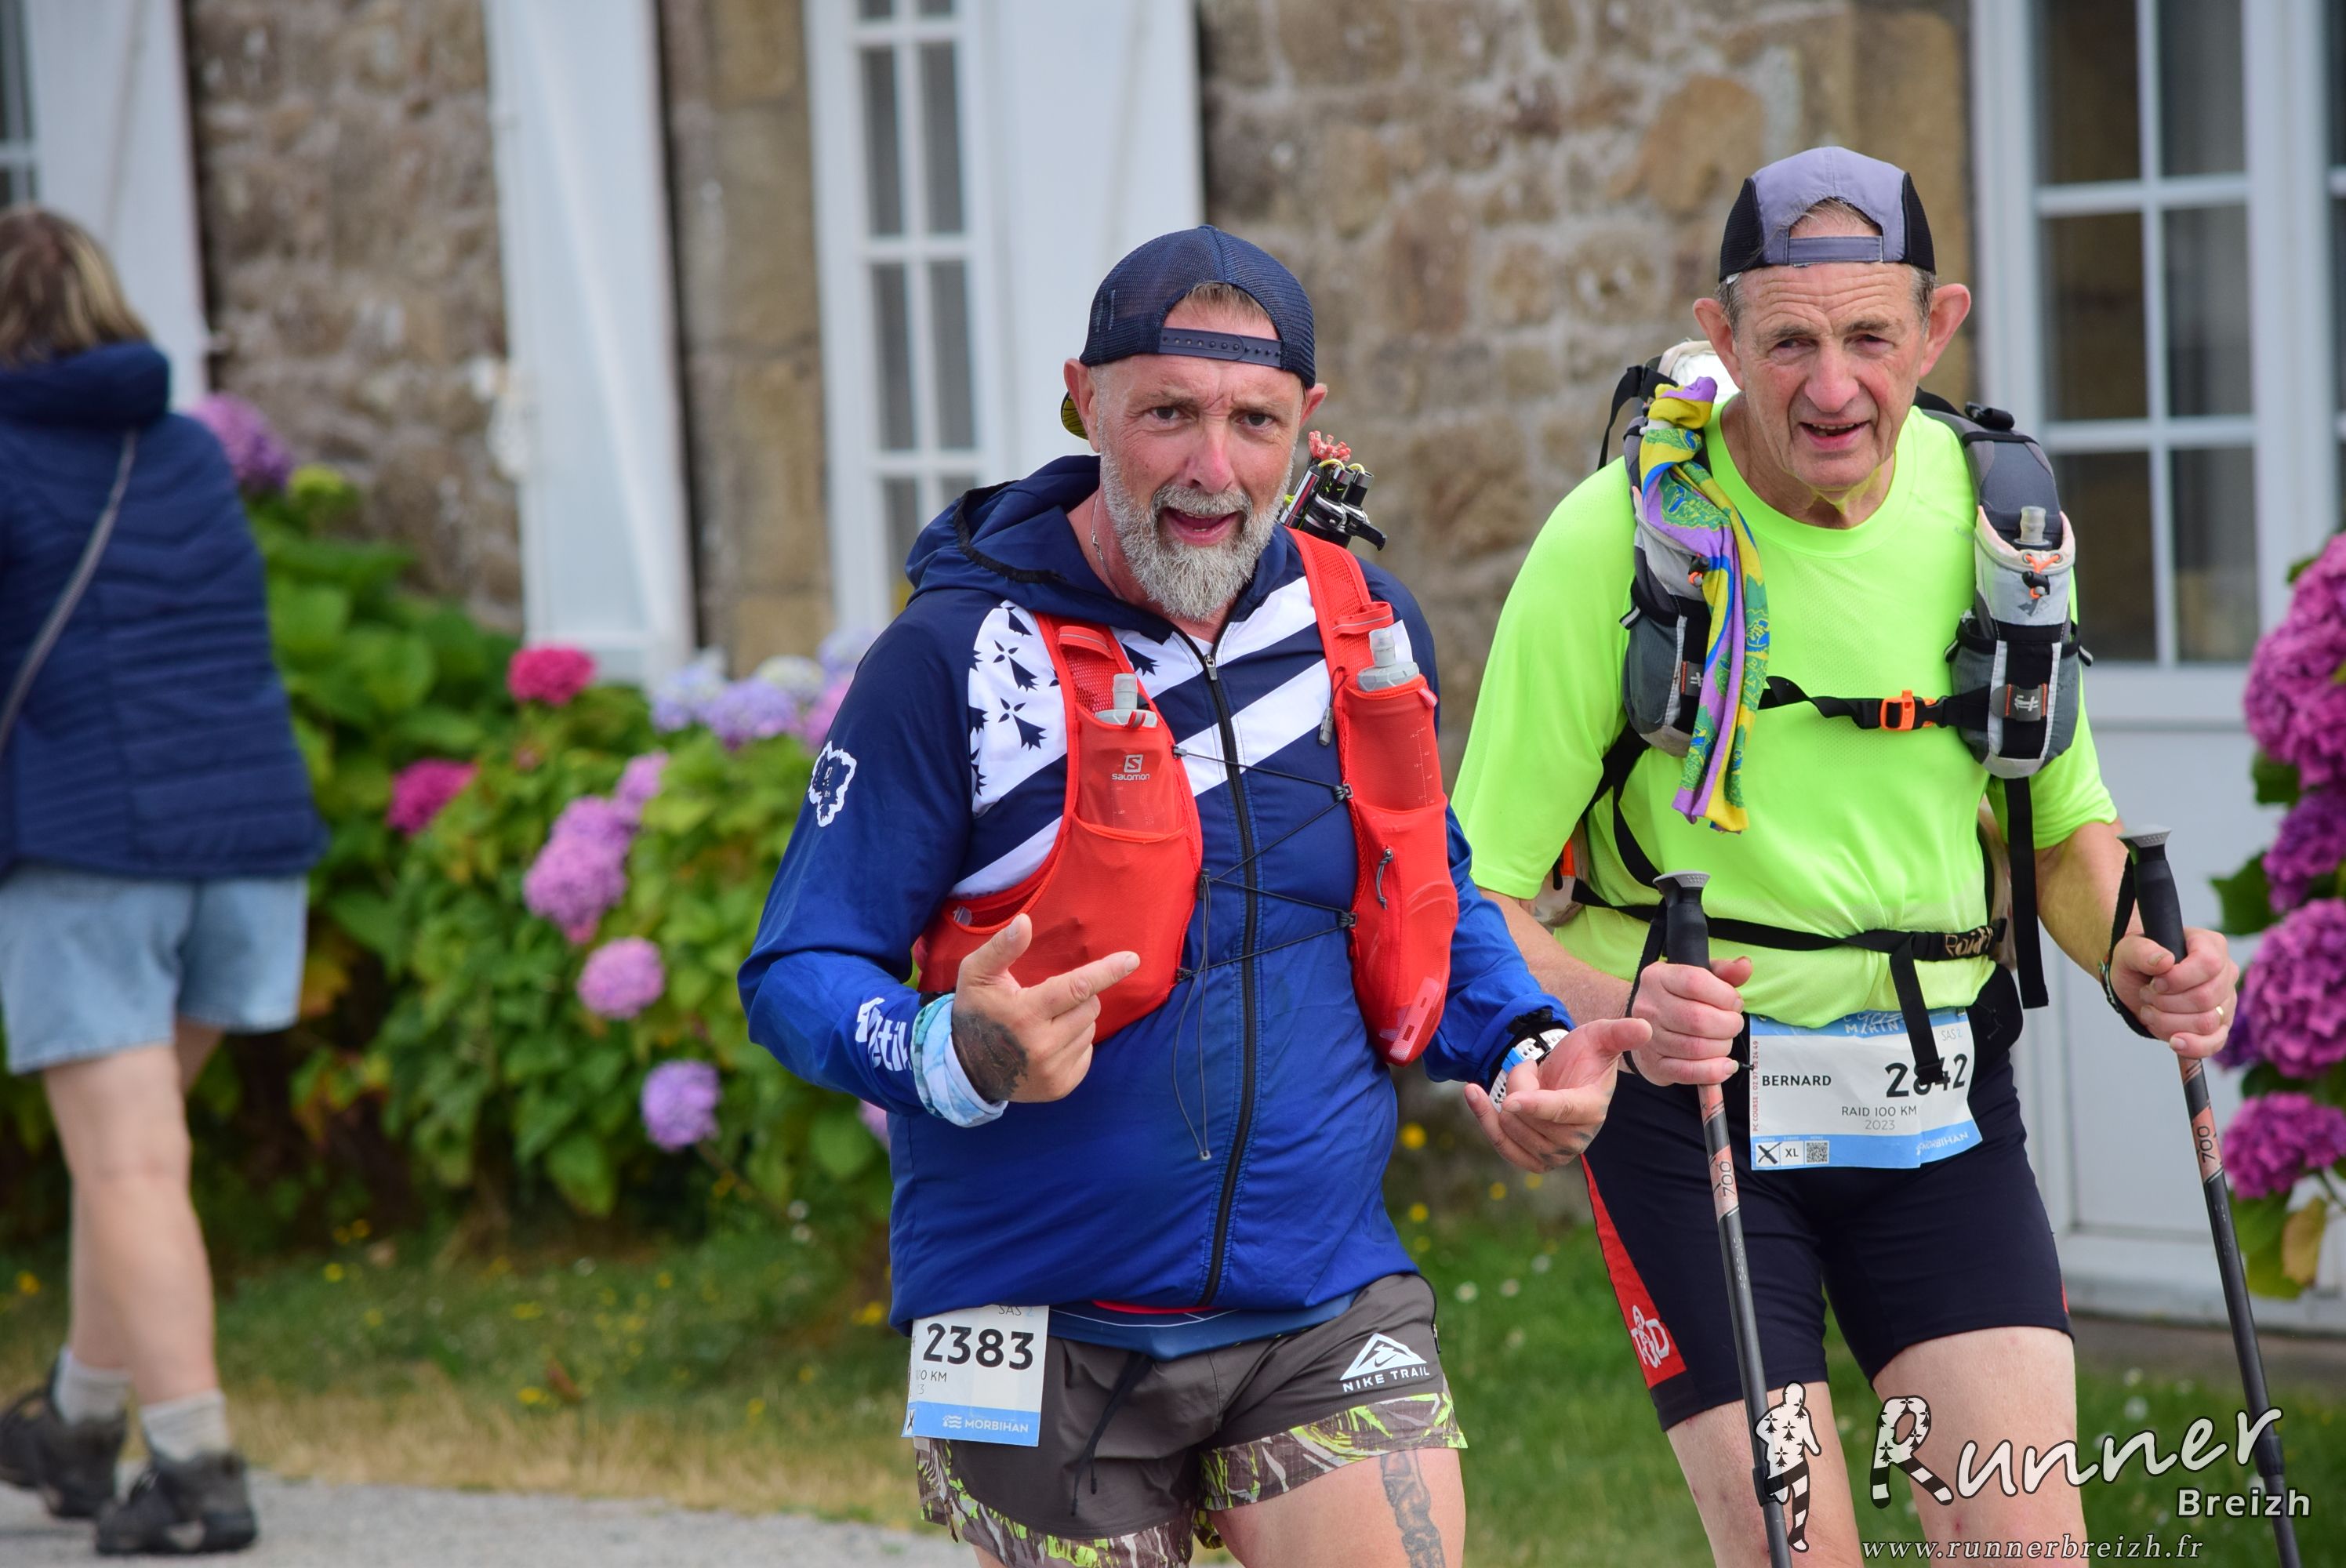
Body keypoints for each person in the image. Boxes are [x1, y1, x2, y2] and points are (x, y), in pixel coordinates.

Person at [741, 226, 1644, 1568]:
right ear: (1085, 401)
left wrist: (1519, 1045)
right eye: (1168, 413)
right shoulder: (956, 657)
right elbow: (799, 968)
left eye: (1253, 421)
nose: (1212, 469)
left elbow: (1425, 892)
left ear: (1306, 422)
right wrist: (949, 1049)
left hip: (1322, 1293)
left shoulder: (1361, 623)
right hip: (1036, 1315)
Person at [1451, 148, 2239, 1564]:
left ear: (1937, 327)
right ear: (1720, 334)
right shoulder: (1620, 541)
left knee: (2028, 1546)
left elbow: (2061, 826)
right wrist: (1612, 1009)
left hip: (1938, 1102)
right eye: (1789, 344)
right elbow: (1474, 892)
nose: (1832, 388)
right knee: (1795, 1546)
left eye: (1871, 338)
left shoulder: (2005, 517)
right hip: (1697, 1112)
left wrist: (2136, 951)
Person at [0, 206, 323, 1555]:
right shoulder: (184, 446)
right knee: (129, 1156)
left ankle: (195, 1467)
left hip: (93, 855)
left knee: (129, 1161)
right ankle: (80, 1425)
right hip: (248, 847)